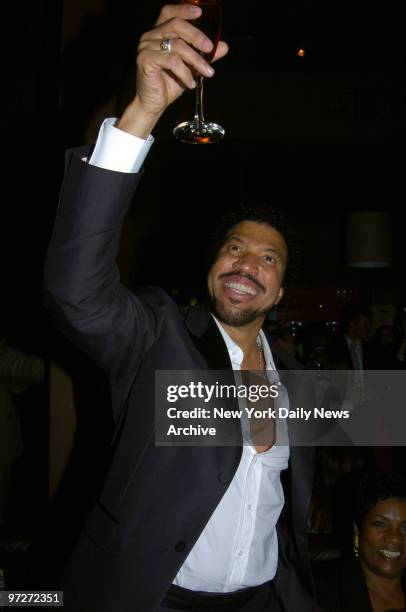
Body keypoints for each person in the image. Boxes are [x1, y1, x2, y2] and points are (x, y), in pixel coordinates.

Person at [43, 4, 321, 611]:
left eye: (268, 260)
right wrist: (140, 114)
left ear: (279, 292)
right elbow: (77, 291)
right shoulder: (157, 338)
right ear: (213, 268)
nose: (247, 263)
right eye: (234, 248)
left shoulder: (301, 379)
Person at [314, 471, 406, 611]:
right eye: (380, 524)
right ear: (358, 532)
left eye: (405, 527)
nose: (394, 538)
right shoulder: (319, 592)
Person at [327, 305, 372, 370]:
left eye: (370, 324)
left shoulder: (370, 347)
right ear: (352, 325)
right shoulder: (335, 346)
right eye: (365, 325)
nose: (369, 328)